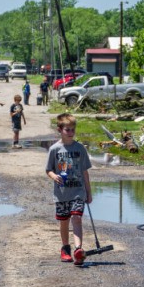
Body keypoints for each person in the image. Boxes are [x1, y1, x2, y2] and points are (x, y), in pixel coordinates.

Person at [45, 113, 92, 266]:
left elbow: (85, 171)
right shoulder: (54, 149)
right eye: (67, 130)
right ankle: (65, 248)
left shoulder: (80, 149)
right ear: (60, 130)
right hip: (62, 193)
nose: (71, 133)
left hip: (78, 191)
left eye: (73, 130)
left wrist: (89, 192)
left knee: (77, 218)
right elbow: (48, 170)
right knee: (64, 222)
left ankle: (78, 250)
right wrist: (54, 176)